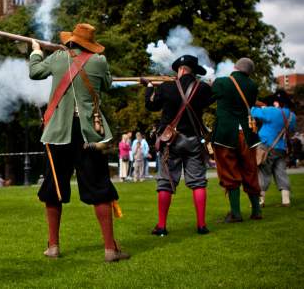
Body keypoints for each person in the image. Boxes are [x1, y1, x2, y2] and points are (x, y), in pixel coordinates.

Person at [29, 23, 129, 262]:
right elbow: (106, 84)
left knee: (53, 190)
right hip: (90, 135)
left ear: (70, 42)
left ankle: (53, 247)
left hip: (57, 133)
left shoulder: (57, 57)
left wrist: (35, 50)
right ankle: (109, 249)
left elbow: (34, 72)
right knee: (100, 189)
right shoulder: (99, 61)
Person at [144, 54, 214, 235]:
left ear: (180, 70)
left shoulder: (167, 87)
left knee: (165, 183)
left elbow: (151, 106)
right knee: (198, 183)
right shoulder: (203, 88)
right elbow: (211, 97)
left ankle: (161, 227)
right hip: (194, 140)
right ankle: (201, 226)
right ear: (193, 71)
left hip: (171, 141)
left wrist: (150, 88)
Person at [211, 58, 262, 223]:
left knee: (229, 173)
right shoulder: (253, 86)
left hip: (226, 134)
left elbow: (210, 98)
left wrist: (212, 85)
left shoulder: (222, 82)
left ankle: (236, 213)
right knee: (250, 171)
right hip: (247, 134)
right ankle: (256, 211)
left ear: (235, 67)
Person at [251, 90, 296, 207]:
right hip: (281, 147)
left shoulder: (271, 111)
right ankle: (286, 200)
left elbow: (253, 111)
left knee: (263, 173)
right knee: (281, 173)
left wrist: (262, 107)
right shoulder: (292, 116)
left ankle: (260, 201)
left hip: (266, 147)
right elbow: (291, 130)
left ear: (277, 102)